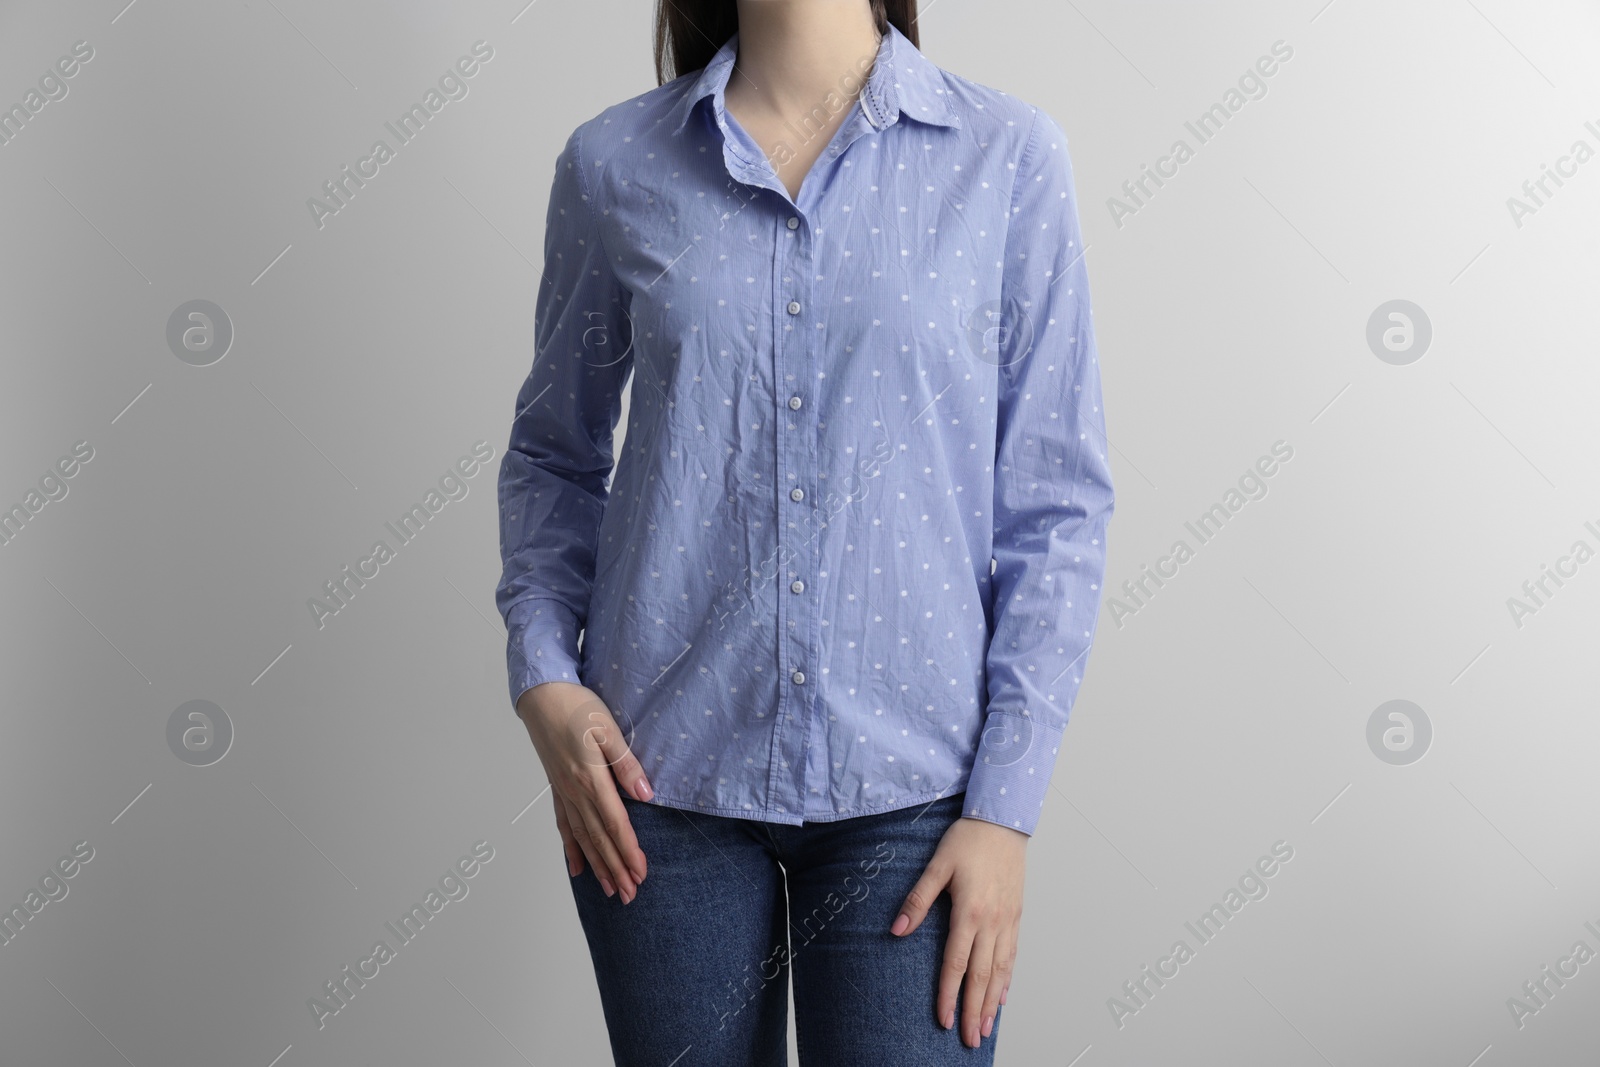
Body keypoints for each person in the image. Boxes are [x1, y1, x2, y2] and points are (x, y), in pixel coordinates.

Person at [494, 1, 1114, 1062]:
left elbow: (1056, 504)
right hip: (656, 784)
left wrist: (1004, 810)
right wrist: (543, 675)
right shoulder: (612, 166)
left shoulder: (1006, 156)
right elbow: (554, 456)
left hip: (917, 799)